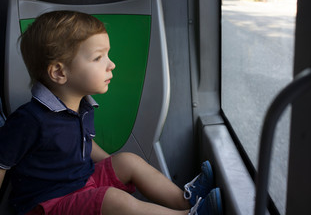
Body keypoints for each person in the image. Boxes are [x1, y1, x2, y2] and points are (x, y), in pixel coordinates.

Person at [0, 11, 223, 215]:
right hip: (47, 205)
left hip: (81, 183)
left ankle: (185, 200)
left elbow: (84, 143)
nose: (112, 65)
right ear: (59, 72)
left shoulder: (82, 107)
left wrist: (112, 165)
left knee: (128, 161)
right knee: (113, 200)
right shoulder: (29, 120)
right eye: (98, 58)